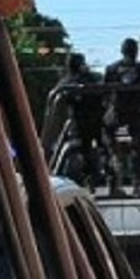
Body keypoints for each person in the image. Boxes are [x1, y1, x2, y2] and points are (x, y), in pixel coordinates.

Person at [102, 38, 140, 191]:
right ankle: (136, 181)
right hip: (138, 114)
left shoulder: (111, 69)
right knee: (137, 148)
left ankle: (114, 170)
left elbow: (104, 93)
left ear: (122, 51)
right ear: (136, 51)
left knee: (108, 142)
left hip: (117, 114)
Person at [49, 53, 106, 187]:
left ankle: (96, 171)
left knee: (97, 146)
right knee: (96, 146)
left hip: (84, 123)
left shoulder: (73, 80)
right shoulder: (81, 79)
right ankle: (94, 172)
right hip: (84, 123)